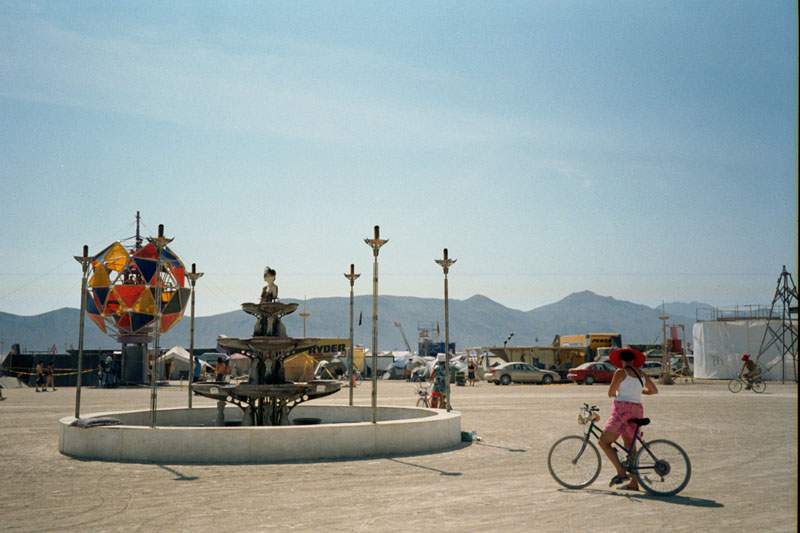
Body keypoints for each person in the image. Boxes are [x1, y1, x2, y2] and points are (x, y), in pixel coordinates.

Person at [598, 348, 658, 491]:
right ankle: (634, 483)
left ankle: (621, 472)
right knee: (630, 448)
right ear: (633, 360)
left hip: (622, 411)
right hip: (636, 411)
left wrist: (619, 390)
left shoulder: (620, 372)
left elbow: (611, 393)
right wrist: (640, 391)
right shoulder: (641, 374)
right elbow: (654, 390)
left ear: (621, 361)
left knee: (604, 442)